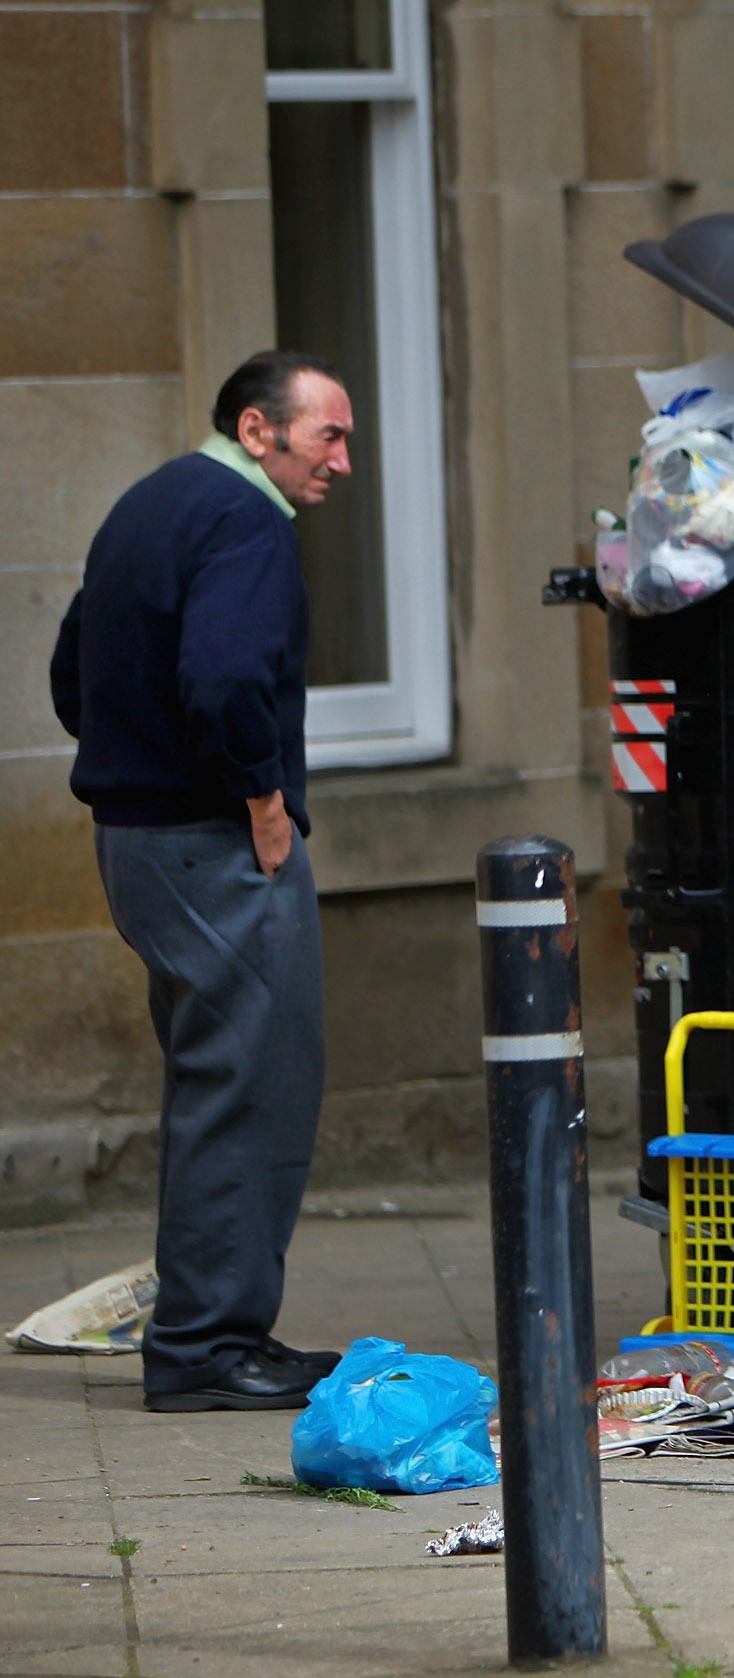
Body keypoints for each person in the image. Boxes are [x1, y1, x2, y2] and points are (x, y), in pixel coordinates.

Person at [49, 352, 356, 1412]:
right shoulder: (244, 520)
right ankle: (208, 1348)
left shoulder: (151, 501)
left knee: (212, 1079)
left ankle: (206, 1335)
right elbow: (225, 678)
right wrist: (258, 796)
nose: (344, 461)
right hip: (211, 842)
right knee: (254, 1083)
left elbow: (70, 666)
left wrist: (138, 760)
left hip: (141, 838)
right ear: (258, 429)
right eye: (328, 435)